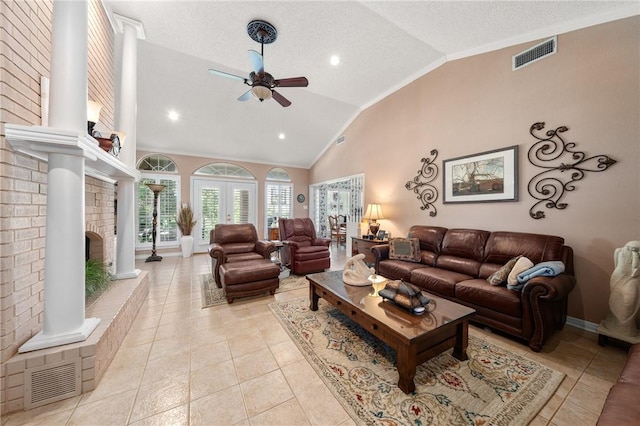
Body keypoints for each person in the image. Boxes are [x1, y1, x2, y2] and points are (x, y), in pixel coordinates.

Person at [603, 241, 640, 337]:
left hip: (632, 280)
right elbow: (616, 266)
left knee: (629, 303)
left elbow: (636, 270)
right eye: (628, 248)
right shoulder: (619, 252)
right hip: (618, 277)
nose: (630, 250)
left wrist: (636, 255)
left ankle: (625, 325)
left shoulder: (638, 256)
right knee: (615, 298)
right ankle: (614, 322)